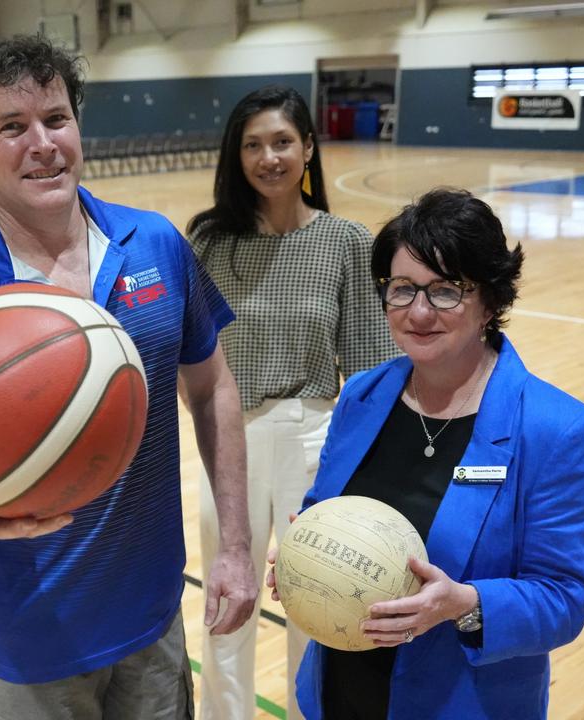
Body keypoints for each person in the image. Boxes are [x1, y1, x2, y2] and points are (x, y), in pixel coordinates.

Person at [0, 35, 257, 719]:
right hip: (31, 640)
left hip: (152, 618)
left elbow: (212, 389)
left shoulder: (155, 244)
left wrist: (235, 548)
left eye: (56, 118)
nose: (43, 143)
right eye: (11, 127)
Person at [266, 188, 584, 719]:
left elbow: (567, 596)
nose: (419, 311)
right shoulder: (362, 395)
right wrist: (303, 550)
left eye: (446, 291)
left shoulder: (558, 431)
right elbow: (325, 506)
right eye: (402, 289)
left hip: (460, 704)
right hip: (339, 692)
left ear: (491, 301)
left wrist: (466, 606)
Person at [185, 84, 400, 720]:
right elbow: (189, 353)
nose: (269, 157)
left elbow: (368, 365)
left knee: (319, 598)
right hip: (228, 439)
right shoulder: (209, 243)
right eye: (253, 145)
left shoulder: (346, 241)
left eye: (282, 142)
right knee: (229, 598)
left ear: (308, 148)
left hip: (315, 437)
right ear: (236, 155)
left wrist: (369, 468)